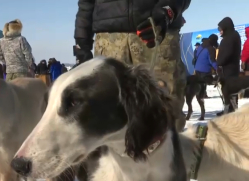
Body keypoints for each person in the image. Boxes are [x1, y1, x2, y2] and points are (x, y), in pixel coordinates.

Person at [74, 0, 191, 132]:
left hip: (156, 31)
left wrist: (167, 10)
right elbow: (86, 4)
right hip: (109, 40)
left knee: (166, 114)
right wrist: (81, 42)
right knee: (108, 118)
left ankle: (170, 151)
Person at [216, 17, 242, 115]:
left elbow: (228, 53)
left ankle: (232, 110)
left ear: (226, 27)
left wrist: (219, 62)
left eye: (220, 29)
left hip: (229, 68)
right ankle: (229, 109)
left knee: (231, 89)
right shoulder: (231, 36)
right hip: (229, 68)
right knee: (228, 90)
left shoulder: (231, 37)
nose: (220, 31)